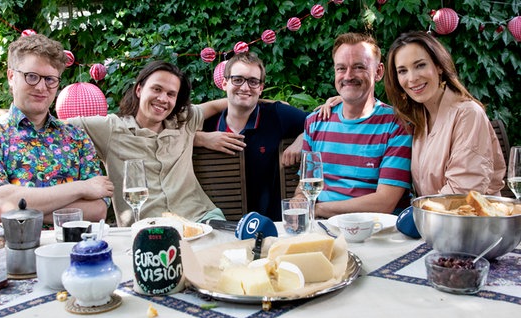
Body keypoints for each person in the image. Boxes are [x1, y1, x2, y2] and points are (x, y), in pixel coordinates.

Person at [0, 61, 228, 227]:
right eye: (156, 89)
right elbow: (42, 117)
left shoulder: (185, 120)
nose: (163, 98)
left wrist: (268, 104)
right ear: (139, 89)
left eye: (171, 94)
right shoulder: (108, 128)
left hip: (203, 219)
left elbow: (228, 102)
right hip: (147, 226)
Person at [0, 34, 114, 225]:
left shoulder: (76, 137)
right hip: (3, 250)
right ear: (11, 76)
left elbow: (98, 209)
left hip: (66, 250)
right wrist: (82, 188)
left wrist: (19, 207)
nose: (42, 87)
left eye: (50, 79)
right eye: (32, 77)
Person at [293, 32, 413, 218]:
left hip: (374, 231)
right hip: (322, 228)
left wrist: (319, 209)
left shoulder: (396, 125)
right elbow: (305, 186)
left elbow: (384, 203)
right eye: (341, 68)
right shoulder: (315, 122)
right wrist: (299, 201)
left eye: (359, 67)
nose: (348, 76)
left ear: (378, 72)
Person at [384, 31, 505, 196]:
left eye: (420, 65)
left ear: (439, 66)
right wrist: (344, 100)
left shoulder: (468, 114)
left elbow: (462, 192)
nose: (412, 78)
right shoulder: (418, 117)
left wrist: (419, 213)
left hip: (471, 219)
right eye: (403, 71)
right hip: (432, 218)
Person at [194, 52, 308, 221]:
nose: (245, 87)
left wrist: (303, 138)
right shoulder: (208, 123)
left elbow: (322, 123)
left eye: (253, 81)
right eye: (237, 79)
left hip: (271, 225)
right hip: (220, 226)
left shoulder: (276, 115)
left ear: (261, 88)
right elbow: (169, 131)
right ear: (225, 83)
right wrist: (201, 138)